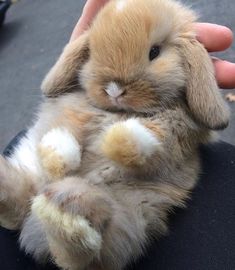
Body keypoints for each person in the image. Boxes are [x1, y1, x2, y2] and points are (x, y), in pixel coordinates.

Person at [0, 1, 235, 269]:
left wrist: (141, 144)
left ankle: (76, 239)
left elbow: (204, 122)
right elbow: (53, 95)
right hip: (53, 163)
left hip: (128, 190)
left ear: (184, 51)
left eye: (153, 52)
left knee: (124, 211)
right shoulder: (88, 89)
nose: (114, 89)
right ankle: (15, 195)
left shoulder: (178, 112)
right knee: (47, 130)